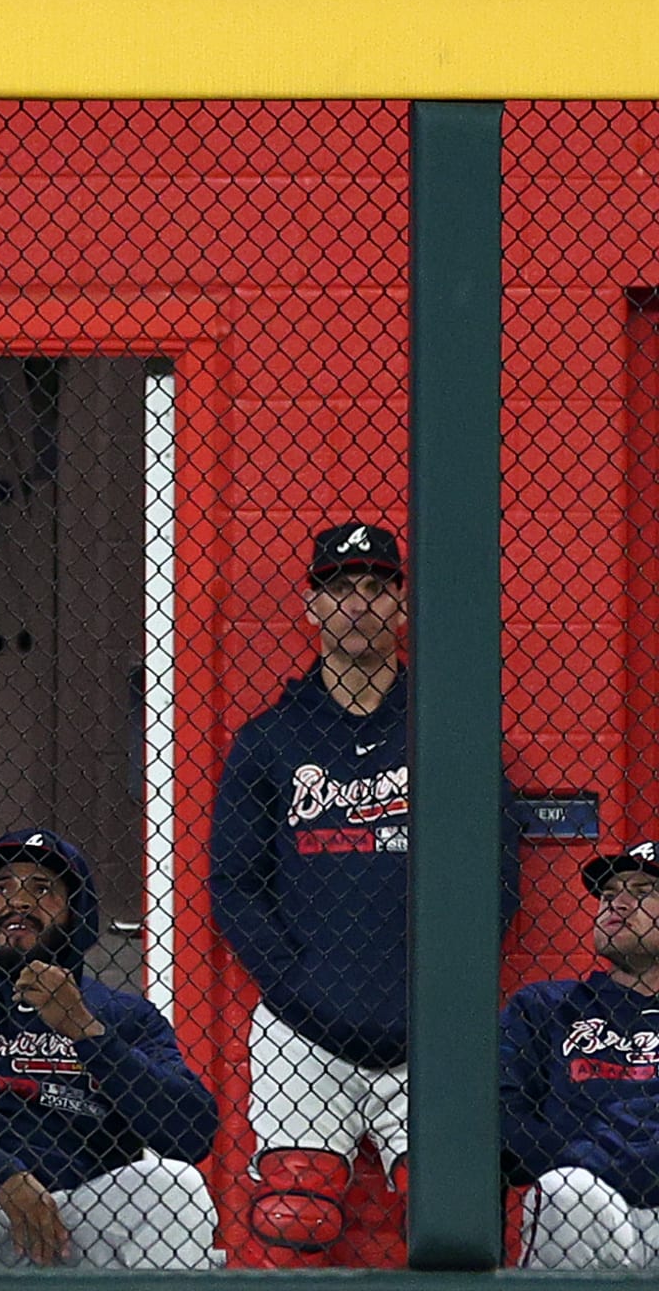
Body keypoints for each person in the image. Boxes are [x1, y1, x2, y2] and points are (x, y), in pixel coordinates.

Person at [207, 521, 522, 1265]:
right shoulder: (269, 739)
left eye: (377, 586)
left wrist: (444, 984)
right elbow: (235, 886)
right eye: (340, 587)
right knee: (293, 1213)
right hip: (303, 1027)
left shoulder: (450, 731)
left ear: (402, 605)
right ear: (312, 607)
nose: (360, 604)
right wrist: (302, 987)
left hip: (434, 1026)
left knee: (459, 1216)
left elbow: (497, 873)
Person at [0, 830, 220, 1269]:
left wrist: (87, 1033)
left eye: (43, 889)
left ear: (74, 913)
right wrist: (2, 1175)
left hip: (70, 1215)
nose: (19, 902)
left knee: (174, 1185)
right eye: (1, 888)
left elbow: (192, 1132)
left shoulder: (122, 1015)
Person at [502, 838, 659, 1269]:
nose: (617, 904)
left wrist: (596, 1146)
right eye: (609, 894)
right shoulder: (546, 1007)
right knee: (566, 1189)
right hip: (590, 1201)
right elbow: (501, 1115)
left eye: (643, 892)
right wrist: (581, 1158)